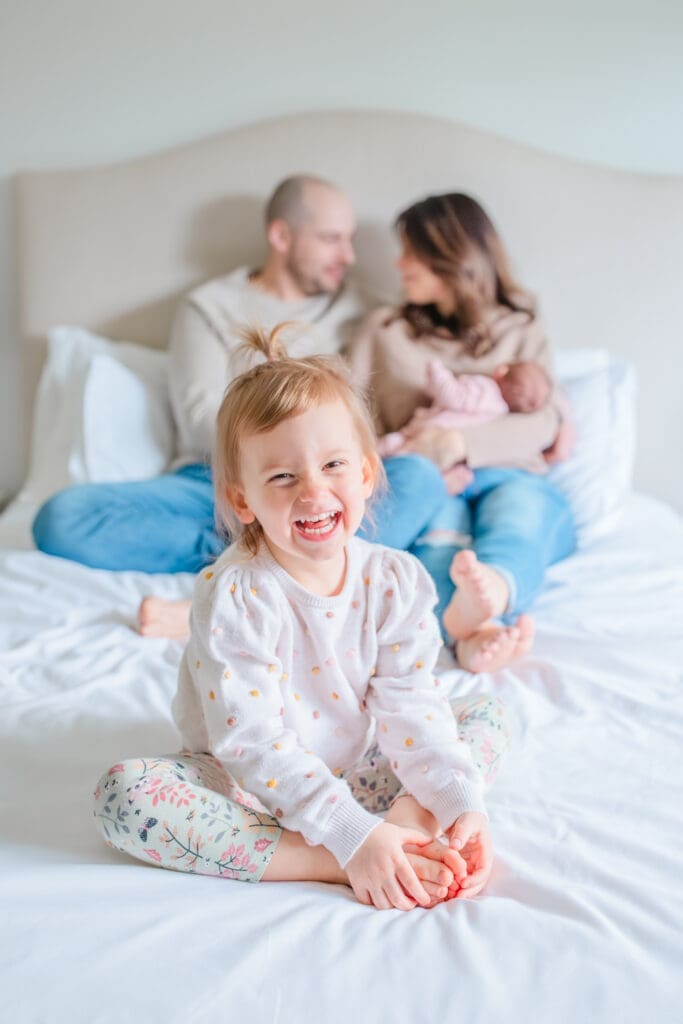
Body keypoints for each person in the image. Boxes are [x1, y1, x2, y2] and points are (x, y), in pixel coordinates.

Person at [93, 325, 510, 908]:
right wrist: (349, 839)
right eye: (283, 477)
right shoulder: (236, 593)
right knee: (124, 797)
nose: (313, 492)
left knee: (484, 714)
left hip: (364, 769)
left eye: (333, 465)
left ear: (365, 473)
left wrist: (462, 806)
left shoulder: (395, 580)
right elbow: (253, 743)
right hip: (252, 789)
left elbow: (411, 707)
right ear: (244, 502)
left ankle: (408, 824)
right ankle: (335, 858)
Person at [31, 175, 448, 638]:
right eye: (331, 239)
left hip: (323, 485)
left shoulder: (368, 311)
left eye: (349, 239)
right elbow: (197, 424)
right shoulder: (210, 308)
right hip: (216, 485)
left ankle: (236, 601)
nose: (348, 256)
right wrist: (268, 471)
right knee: (61, 518)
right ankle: (251, 562)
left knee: (421, 478)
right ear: (281, 236)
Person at [346, 192, 577, 673]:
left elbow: (546, 423)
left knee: (521, 518)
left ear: (451, 255)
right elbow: (346, 415)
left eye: (411, 251)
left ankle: (497, 591)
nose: (399, 263)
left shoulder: (522, 331)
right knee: (438, 541)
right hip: (428, 480)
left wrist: (459, 444)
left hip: (511, 474)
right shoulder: (384, 330)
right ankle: (464, 631)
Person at [380, 358, 552, 494]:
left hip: (430, 435)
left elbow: (452, 396)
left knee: (389, 448)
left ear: (502, 370)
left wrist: (437, 370)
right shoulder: (500, 412)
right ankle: (443, 482)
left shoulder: (484, 389)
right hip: (453, 457)